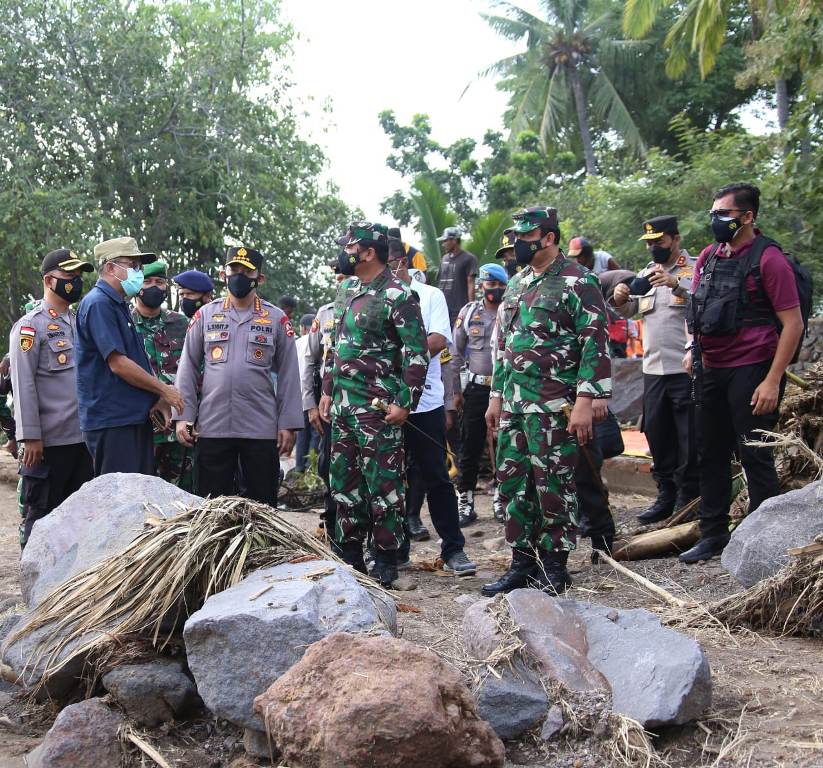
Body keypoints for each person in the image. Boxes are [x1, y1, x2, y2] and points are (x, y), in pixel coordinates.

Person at [482, 206, 611, 596]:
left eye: (526, 236)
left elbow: (595, 343)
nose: (518, 243)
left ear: (549, 237)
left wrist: (586, 399)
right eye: (517, 236)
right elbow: (505, 348)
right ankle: (522, 563)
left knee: (553, 485)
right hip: (515, 405)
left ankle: (555, 566)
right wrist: (496, 397)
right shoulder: (517, 283)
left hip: (554, 404)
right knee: (514, 484)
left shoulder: (579, 280)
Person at [680, 183, 804, 563]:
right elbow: (696, 307)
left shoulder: (769, 259)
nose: (716, 220)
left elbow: (793, 324)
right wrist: (691, 347)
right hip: (710, 369)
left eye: (724, 214)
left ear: (748, 216)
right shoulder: (709, 256)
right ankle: (713, 535)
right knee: (710, 453)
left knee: (755, 454)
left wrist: (772, 380)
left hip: (752, 369)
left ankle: (763, 541)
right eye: (713, 214)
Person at [318, 222, 428, 587]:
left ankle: (386, 558)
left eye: (350, 248)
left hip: (378, 408)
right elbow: (334, 346)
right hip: (343, 407)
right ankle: (350, 555)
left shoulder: (398, 294)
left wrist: (405, 403)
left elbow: (417, 352)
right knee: (344, 483)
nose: (344, 254)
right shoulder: (346, 290)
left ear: (368, 253)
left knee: (384, 485)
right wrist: (327, 389)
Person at [175, 246, 303, 505]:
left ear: (260, 278)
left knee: (260, 507)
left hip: (260, 429)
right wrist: (183, 416)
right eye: (234, 270)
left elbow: (290, 374)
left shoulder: (276, 319)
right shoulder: (205, 315)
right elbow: (187, 367)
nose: (239, 276)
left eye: (247, 272)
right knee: (211, 507)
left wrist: (288, 424)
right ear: (224, 275)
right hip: (212, 426)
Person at [388, 238, 477, 576]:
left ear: (401, 262)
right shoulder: (375, 297)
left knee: (437, 477)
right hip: (385, 404)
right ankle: (394, 551)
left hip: (424, 403)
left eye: (389, 262)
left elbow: (438, 340)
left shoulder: (429, 296)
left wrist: (392, 357)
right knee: (389, 480)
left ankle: (453, 549)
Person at [612, 216, 700, 523]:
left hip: (684, 368)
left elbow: (706, 301)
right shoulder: (646, 273)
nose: (653, 248)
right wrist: (620, 299)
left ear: (675, 239)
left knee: (689, 437)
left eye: (659, 241)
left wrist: (677, 284)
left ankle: (689, 497)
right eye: (649, 243)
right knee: (657, 433)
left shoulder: (695, 269)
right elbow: (632, 310)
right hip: (653, 370)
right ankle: (666, 494)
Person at [76, 237, 184, 476]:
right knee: (119, 495)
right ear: (111, 267)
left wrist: (157, 397)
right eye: (133, 265)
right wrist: (164, 389)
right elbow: (119, 364)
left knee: (138, 493)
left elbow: (135, 359)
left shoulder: (117, 304)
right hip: (113, 422)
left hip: (130, 419)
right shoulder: (98, 304)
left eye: (139, 266)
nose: (139, 272)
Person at [10, 248, 95, 546]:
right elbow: (23, 383)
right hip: (48, 443)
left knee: (78, 521)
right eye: (69, 275)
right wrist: (30, 435)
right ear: (49, 280)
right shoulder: (30, 326)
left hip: (81, 439)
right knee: (42, 517)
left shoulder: (80, 322)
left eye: (78, 275)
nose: (76, 281)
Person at [452, 262, 508, 526]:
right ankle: (465, 502)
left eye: (500, 285)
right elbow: (454, 353)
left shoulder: (512, 309)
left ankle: (501, 499)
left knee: (504, 446)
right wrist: (455, 391)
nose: (495, 289)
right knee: (469, 446)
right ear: (482, 285)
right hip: (476, 388)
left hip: (505, 389)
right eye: (490, 284)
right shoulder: (469, 312)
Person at [132, 260, 193, 489]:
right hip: (142, 427)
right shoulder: (126, 324)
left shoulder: (181, 323)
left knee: (184, 493)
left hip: (179, 426)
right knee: (142, 492)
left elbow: (196, 369)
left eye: (159, 282)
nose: (154, 287)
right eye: (147, 282)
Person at [302, 266, 339, 535]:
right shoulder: (325, 313)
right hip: (329, 405)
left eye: (346, 278)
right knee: (328, 464)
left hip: (366, 403)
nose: (341, 283)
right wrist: (310, 405)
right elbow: (311, 361)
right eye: (338, 279)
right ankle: (332, 522)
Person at [295, 312, 321, 473]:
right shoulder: (317, 341)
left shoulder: (297, 343)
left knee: (302, 433)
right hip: (313, 391)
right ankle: (311, 469)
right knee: (316, 431)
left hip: (298, 392)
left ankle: (299, 469)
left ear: (303, 328)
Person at [436, 226, 478, 325]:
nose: (443, 244)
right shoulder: (444, 258)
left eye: (445, 241)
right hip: (443, 309)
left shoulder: (469, 258)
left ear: (454, 241)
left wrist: (470, 308)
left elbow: (471, 283)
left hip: (460, 310)